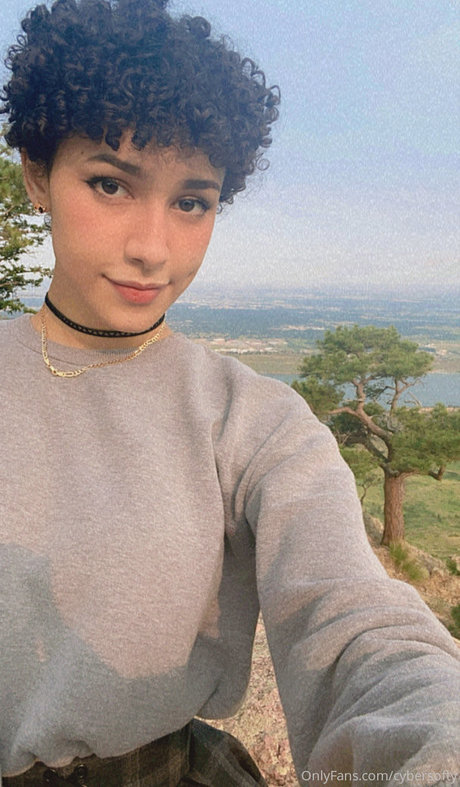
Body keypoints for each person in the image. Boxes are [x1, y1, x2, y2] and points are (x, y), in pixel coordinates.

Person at [0, 0, 459, 785]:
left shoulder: (253, 420)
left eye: (191, 201)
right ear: (37, 174)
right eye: (110, 184)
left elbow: (352, 620)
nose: (152, 247)